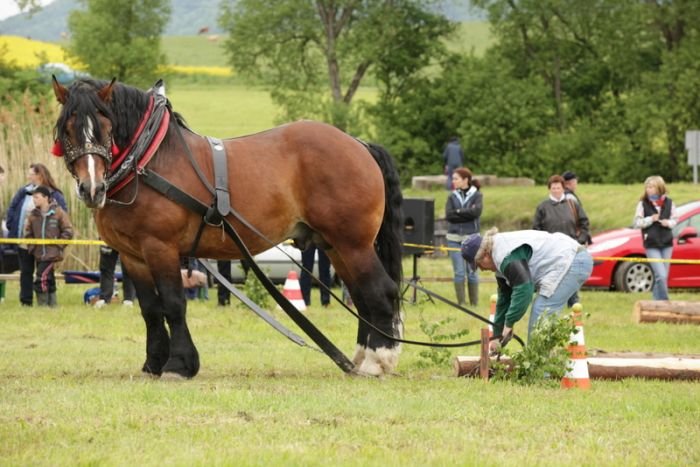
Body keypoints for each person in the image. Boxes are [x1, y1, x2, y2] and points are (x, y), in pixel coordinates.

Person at [461, 227, 593, 354]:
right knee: (541, 313)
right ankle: (544, 362)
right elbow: (504, 299)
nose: (482, 270)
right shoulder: (499, 261)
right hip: (566, 260)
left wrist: (509, 323)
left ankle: (540, 372)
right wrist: (496, 336)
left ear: (485, 255)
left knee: (542, 311)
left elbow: (524, 290)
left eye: (478, 265)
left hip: (573, 260)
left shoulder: (505, 255)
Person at [6, 163, 67, 306]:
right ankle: (26, 301)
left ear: (40, 175)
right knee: (26, 272)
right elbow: (12, 208)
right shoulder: (23, 192)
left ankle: (48, 302)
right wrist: (12, 228)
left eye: (31, 174)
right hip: (25, 241)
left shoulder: (55, 194)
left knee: (45, 273)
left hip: (47, 244)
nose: (28, 176)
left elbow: (63, 217)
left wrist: (58, 242)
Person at [533, 174, 591, 307]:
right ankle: (548, 303)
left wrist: (580, 239)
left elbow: (584, 223)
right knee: (551, 278)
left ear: (563, 189)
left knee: (571, 275)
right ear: (549, 189)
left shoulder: (572, 204)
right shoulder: (543, 207)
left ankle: (573, 302)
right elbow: (536, 229)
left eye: (558, 188)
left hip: (571, 247)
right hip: (551, 249)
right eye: (553, 188)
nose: (556, 190)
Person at [23, 185, 73, 307]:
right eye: (33, 197)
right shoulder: (32, 215)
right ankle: (52, 305)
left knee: (41, 278)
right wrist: (32, 247)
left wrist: (59, 246)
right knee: (49, 278)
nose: (34, 200)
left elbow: (68, 231)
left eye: (36, 197)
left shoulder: (59, 212)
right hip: (39, 254)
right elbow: (27, 233)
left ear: (46, 198)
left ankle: (43, 305)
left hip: (52, 254)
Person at [633, 175, 677, 301]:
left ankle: (655, 303)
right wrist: (650, 219)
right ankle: (665, 301)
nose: (648, 189)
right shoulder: (642, 204)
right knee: (661, 275)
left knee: (662, 277)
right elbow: (637, 223)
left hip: (667, 243)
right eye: (647, 187)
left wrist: (667, 223)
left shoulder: (669, 202)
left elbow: (675, 219)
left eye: (651, 186)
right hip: (651, 244)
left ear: (659, 187)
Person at [445, 167, 482, 306]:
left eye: (456, 178)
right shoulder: (452, 195)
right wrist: (466, 212)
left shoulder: (477, 195)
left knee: (472, 272)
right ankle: (461, 303)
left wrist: (458, 212)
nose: (453, 181)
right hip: (454, 239)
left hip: (472, 240)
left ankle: (474, 304)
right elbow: (449, 215)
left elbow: (476, 212)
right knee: (459, 272)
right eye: (453, 178)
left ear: (465, 180)